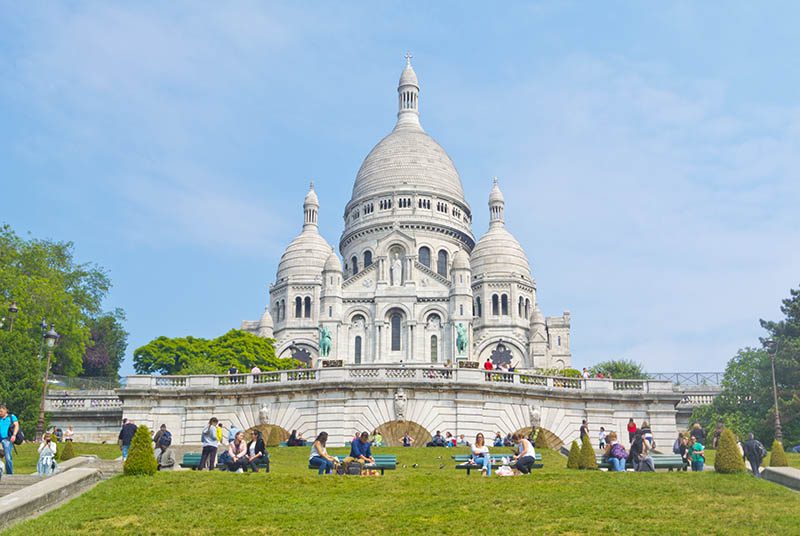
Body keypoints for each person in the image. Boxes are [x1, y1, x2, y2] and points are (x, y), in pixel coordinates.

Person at [0, 404, 20, 475]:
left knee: (8, 458)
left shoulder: (12, 417)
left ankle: (10, 473)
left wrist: (14, 435)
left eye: (1, 411)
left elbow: (16, 426)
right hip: (0, 439)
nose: (0, 413)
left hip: (8, 439)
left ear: (5, 410)